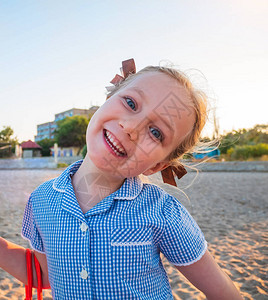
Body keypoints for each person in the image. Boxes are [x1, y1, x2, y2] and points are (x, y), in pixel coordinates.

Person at [0, 59, 242, 299]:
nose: (131, 128)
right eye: (130, 103)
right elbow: (47, 276)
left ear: (158, 165)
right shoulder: (41, 200)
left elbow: (223, 293)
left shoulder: (163, 212)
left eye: (156, 132)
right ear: (107, 99)